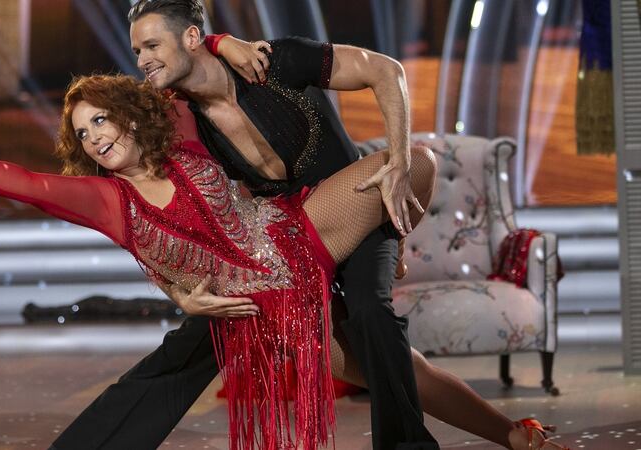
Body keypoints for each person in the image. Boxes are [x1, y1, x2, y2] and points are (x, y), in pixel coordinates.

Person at [49, 2, 568, 449]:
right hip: (289, 246)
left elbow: (385, 71)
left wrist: (397, 166)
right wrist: (181, 293)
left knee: (370, 313)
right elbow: (161, 215)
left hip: (358, 212)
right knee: (383, 367)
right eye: (137, 51)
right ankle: (511, 435)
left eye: (150, 46)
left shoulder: (275, 61)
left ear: (187, 38)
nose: (141, 60)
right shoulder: (178, 117)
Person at [0, 73, 437, 450]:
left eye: (101, 120)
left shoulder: (182, 139)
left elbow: (182, 62)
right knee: (401, 376)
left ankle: (384, 253)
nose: (94, 138)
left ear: (129, 116)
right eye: (82, 132)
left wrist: (218, 41)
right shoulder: (108, 200)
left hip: (300, 234)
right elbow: (26, 183)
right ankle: (510, 433)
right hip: (264, 309)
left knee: (411, 161)